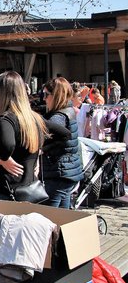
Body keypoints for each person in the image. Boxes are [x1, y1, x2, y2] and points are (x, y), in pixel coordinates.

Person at [0, 71, 48, 201]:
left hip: (8, 189)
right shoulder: (34, 118)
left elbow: (7, 144)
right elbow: (63, 134)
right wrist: (39, 152)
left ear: (1, 93)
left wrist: (3, 158)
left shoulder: (6, 118)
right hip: (31, 188)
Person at [41, 77, 84, 208]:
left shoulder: (58, 117)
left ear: (56, 96)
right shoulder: (69, 110)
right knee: (63, 217)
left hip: (58, 171)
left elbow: (50, 138)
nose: (43, 98)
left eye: (46, 94)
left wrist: (43, 148)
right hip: (67, 171)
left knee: (50, 217)